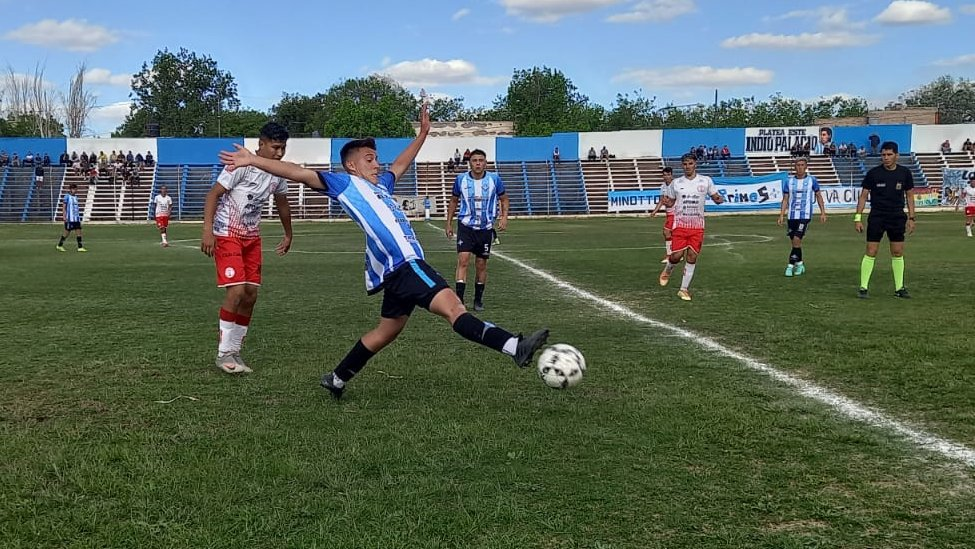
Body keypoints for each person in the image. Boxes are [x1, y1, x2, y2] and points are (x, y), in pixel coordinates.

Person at [217, 104, 548, 399]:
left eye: (377, 158)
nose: (378, 164)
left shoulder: (382, 186)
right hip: (406, 265)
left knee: (385, 331)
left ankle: (336, 378)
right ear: (351, 166)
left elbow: (403, 162)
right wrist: (252, 159)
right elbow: (297, 172)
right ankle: (514, 346)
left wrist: (423, 134)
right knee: (454, 309)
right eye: (370, 159)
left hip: (396, 274)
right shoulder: (345, 184)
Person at [200, 122, 294, 374]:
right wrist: (207, 231)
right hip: (227, 234)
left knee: (251, 294)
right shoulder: (240, 167)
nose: (279, 153)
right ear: (260, 144)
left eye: (283, 148)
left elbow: (282, 204)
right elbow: (213, 195)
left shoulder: (277, 173)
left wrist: (288, 234)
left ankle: (235, 350)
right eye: (275, 147)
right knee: (237, 291)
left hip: (252, 237)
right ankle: (223, 354)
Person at [445, 148, 509, 312]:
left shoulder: (495, 179)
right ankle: (459, 301)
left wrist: (504, 217)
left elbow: (504, 198)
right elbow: (453, 201)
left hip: (485, 228)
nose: (478, 163)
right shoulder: (461, 180)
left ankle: (478, 300)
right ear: (470, 163)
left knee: (481, 264)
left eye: (481, 160)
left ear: (485, 163)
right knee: (463, 260)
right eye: (475, 160)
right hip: (466, 226)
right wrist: (449, 223)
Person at [658, 154, 725, 301]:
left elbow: (716, 196)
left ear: (695, 164)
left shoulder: (706, 181)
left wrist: (719, 199)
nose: (687, 166)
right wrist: (666, 202)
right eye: (684, 164)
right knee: (676, 256)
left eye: (690, 163)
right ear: (682, 166)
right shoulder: (676, 183)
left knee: (692, 256)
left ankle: (683, 289)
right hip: (680, 224)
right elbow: (671, 202)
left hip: (697, 226)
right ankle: (668, 268)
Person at [854, 141, 915, 299]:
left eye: (889, 155)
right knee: (871, 251)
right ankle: (863, 287)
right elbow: (863, 196)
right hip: (877, 216)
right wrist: (858, 218)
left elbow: (909, 196)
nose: (886, 158)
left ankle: (899, 288)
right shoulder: (873, 173)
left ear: (896, 155)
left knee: (897, 251)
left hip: (897, 216)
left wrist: (912, 217)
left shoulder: (905, 173)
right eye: (883, 155)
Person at [776, 157, 827, 277]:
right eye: (798, 165)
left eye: (802, 165)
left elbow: (819, 196)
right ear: (795, 167)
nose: (800, 167)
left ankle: (790, 266)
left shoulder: (812, 180)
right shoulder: (789, 182)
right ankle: (800, 263)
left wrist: (823, 212)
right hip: (792, 215)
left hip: (805, 215)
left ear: (806, 167)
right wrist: (781, 215)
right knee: (795, 243)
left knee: (797, 239)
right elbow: (785, 199)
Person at [649, 167, 676, 263]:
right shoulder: (663, 186)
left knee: (666, 232)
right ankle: (676, 254)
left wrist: (669, 203)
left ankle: (669, 255)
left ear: (671, 175)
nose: (666, 177)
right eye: (664, 175)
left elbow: (674, 200)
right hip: (669, 213)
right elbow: (661, 200)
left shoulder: (675, 185)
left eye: (668, 175)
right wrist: (655, 211)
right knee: (673, 234)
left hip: (676, 213)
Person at [56, 183, 86, 252]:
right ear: (70, 189)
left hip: (76, 218)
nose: (75, 190)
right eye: (74, 189)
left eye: (76, 189)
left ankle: (80, 247)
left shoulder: (76, 197)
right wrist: (64, 216)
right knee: (67, 233)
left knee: (79, 231)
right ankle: (59, 245)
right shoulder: (67, 196)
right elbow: (64, 207)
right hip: (70, 218)